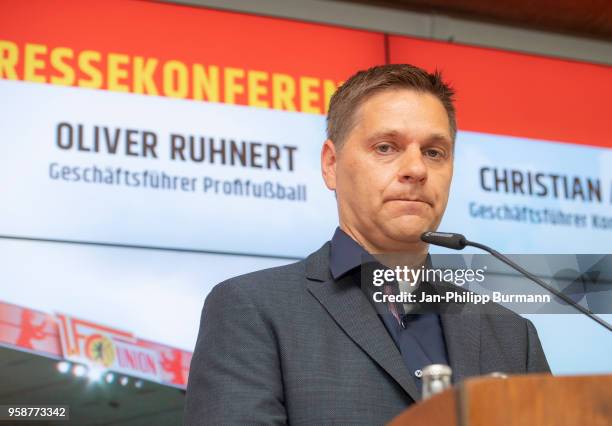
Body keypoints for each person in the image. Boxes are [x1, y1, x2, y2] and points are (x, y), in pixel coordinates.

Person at [184, 64, 550, 425]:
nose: (417, 169)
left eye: (434, 152)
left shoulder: (512, 336)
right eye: (386, 147)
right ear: (331, 164)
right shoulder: (252, 310)